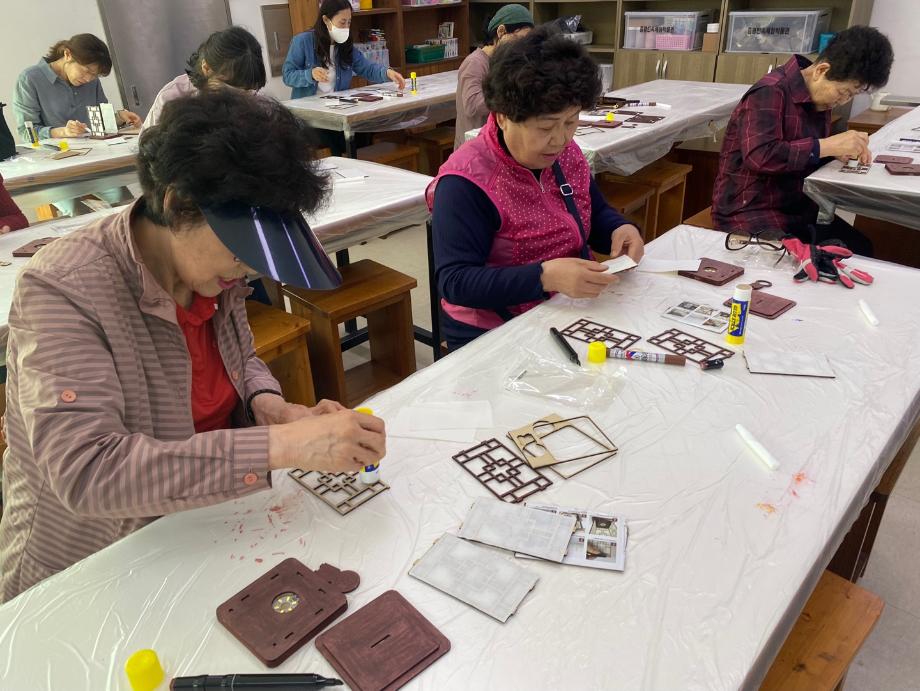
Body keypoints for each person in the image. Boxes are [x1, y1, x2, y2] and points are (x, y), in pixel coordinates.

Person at [0, 90, 387, 602]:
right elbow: (88, 472)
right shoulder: (62, 288)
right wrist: (288, 446)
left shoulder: (210, 274)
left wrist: (268, 407)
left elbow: (241, 359)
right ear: (177, 203)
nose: (248, 270)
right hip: (86, 566)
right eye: (242, 250)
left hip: (191, 527)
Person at [428, 27, 645, 350]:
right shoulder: (466, 182)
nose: (560, 139)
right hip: (492, 329)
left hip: (563, 308)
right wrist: (545, 277)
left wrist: (620, 228)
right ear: (502, 117)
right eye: (545, 127)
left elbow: (592, 210)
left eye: (571, 122)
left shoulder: (565, 154)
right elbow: (455, 281)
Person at [712, 26, 894, 257]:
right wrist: (827, 145)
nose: (842, 101)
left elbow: (803, 151)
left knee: (860, 249)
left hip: (796, 208)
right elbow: (760, 156)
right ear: (822, 70)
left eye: (851, 95)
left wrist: (836, 152)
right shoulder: (770, 91)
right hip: (750, 211)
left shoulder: (819, 98)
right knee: (798, 264)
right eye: (843, 92)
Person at [12, 34, 142, 141]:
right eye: (86, 71)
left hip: (96, 152)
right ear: (68, 54)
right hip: (55, 159)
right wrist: (62, 132)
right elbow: (26, 132)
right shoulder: (30, 79)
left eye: (95, 75)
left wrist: (120, 117)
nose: (88, 79)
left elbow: (99, 119)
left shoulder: (92, 81)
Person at [142, 26, 267, 131]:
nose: (239, 99)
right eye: (231, 90)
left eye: (248, 92)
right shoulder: (172, 98)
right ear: (206, 68)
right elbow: (152, 152)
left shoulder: (251, 98)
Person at [283, 0, 405, 99]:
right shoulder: (303, 41)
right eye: (342, 22)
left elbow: (366, 68)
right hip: (310, 115)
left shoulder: (345, 45)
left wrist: (387, 73)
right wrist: (310, 74)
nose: (346, 27)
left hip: (338, 110)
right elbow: (287, 76)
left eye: (349, 22)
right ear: (326, 20)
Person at [454, 4, 534, 150]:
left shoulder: (506, 62)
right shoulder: (475, 63)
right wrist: (514, 95)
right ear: (501, 31)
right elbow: (472, 105)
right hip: (473, 148)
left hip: (495, 143)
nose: (522, 48)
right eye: (519, 40)